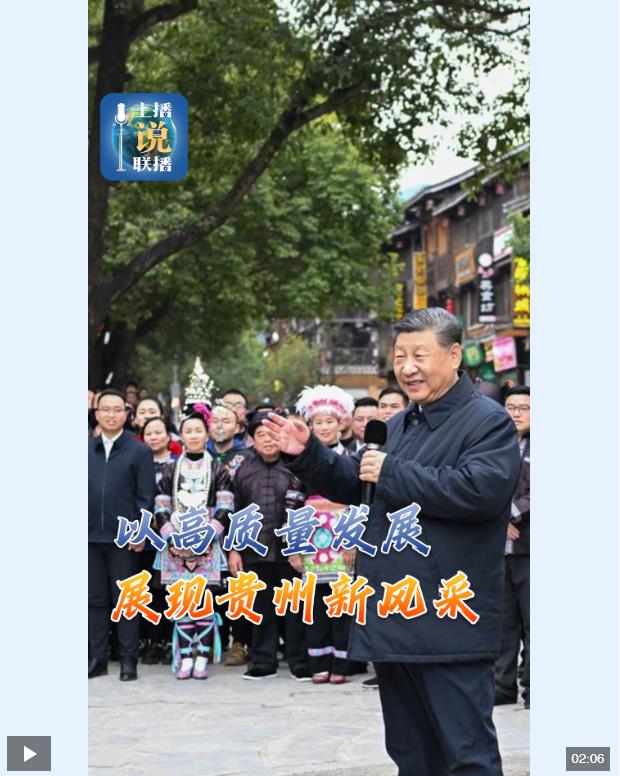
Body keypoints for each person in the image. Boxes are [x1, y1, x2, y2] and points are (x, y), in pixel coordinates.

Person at [263, 308, 521, 776]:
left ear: (454, 356)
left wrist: (394, 472)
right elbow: (359, 481)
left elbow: (480, 491)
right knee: (411, 754)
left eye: (420, 355)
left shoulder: (487, 421)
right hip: (394, 613)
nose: (408, 367)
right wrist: (309, 454)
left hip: (448, 620)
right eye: (400, 356)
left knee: (467, 755)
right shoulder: (401, 424)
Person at [153, 361, 234, 680]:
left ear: (207, 432)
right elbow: (161, 504)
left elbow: (225, 506)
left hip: (207, 544)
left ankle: (202, 655)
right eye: (188, 430)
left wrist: (206, 537)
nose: (194, 435)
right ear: (182, 434)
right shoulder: (171, 468)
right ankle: (185, 655)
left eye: (199, 430)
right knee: (182, 604)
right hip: (175, 544)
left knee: (203, 603)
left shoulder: (218, 469)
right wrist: (172, 536)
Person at [228, 411, 310, 680]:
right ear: (253, 440)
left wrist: (299, 547)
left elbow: (304, 510)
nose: (267, 440)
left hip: (290, 552)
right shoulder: (243, 470)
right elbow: (237, 511)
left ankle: (299, 662)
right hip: (255, 550)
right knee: (260, 608)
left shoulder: (296, 467)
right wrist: (234, 549)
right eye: (260, 435)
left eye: (272, 434)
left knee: (294, 608)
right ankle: (263, 661)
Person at [88, 389, 155, 681]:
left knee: (127, 600)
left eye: (117, 409)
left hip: (124, 538)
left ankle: (129, 660)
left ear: (127, 415)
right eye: (106, 409)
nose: (111, 415)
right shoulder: (84, 449)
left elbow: (146, 498)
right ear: (97, 414)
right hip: (89, 536)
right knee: (94, 600)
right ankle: (97, 658)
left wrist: (140, 531)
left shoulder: (139, 451)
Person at [292, 385, 357, 685]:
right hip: (312, 540)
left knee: (342, 604)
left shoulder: (352, 458)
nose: (324, 427)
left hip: (343, 540)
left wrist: (353, 541)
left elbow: (361, 502)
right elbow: (292, 504)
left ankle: (342, 664)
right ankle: (319, 662)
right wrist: (294, 546)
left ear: (341, 423)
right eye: (318, 422)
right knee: (315, 605)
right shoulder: (302, 459)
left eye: (329, 421)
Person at [494, 386, 530, 709]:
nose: (516, 413)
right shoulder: (492, 444)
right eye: (510, 406)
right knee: (503, 622)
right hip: (495, 548)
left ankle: (533, 688)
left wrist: (509, 514)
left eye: (524, 408)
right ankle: (502, 686)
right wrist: (496, 518)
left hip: (528, 546)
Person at [139, 416, 180, 664]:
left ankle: (170, 640)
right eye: (149, 433)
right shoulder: (137, 461)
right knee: (148, 590)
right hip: (144, 537)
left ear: (168, 436)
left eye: (158, 432)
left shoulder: (179, 464)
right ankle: (151, 640)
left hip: (172, 535)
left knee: (169, 589)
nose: (153, 437)